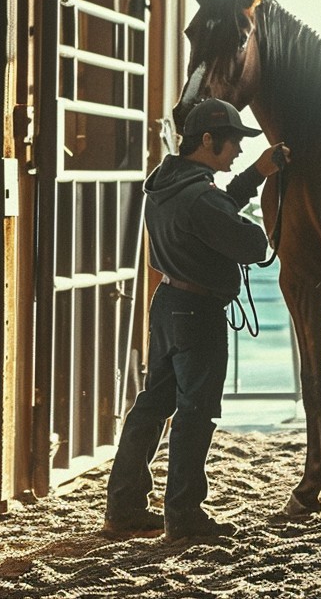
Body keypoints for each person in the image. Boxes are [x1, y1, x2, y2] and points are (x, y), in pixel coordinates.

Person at [102, 97, 292, 541]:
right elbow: (254, 245)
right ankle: (183, 516)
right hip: (199, 313)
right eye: (233, 144)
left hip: (167, 303)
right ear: (208, 140)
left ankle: (124, 507)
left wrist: (254, 176)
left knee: (151, 406)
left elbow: (209, 210)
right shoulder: (202, 199)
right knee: (195, 414)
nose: (240, 152)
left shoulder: (166, 184)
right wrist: (258, 211)